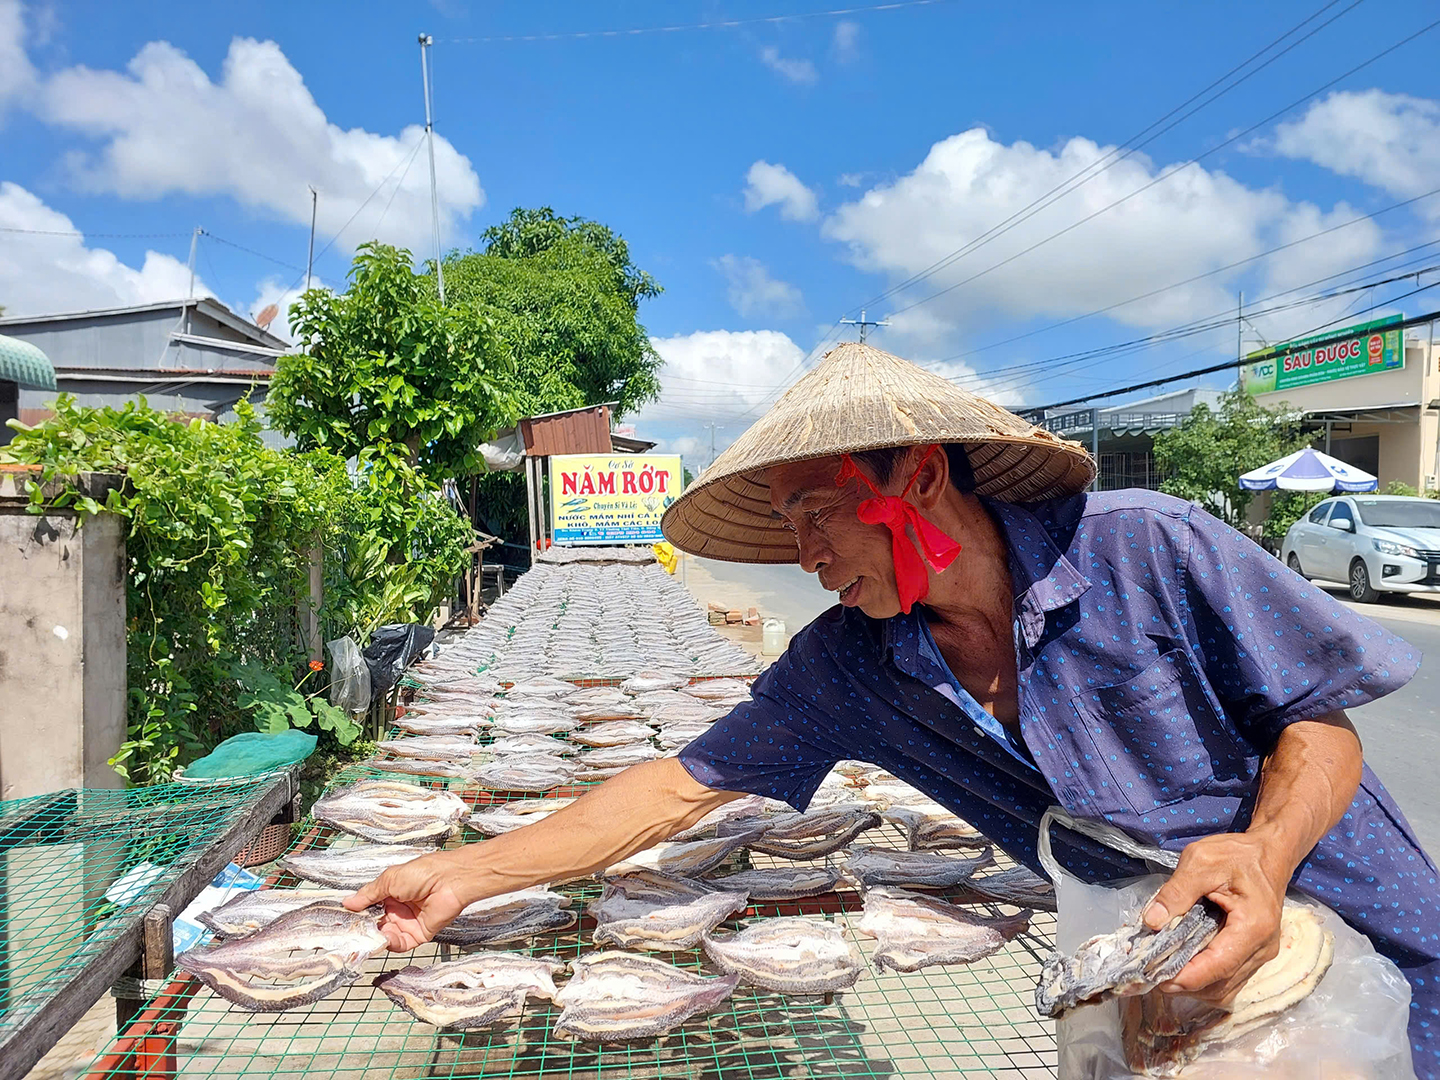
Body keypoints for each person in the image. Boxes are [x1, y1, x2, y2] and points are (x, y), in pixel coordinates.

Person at [346, 343, 1440, 1075]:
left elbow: (1317, 722)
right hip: (1165, 978)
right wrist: (455, 875)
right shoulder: (851, 665)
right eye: (791, 527)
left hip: (1365, 942)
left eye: (819, 514)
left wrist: (1260, 851)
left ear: (916, 476)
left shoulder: (1148, 547)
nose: (808, 555)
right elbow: (673, 791)